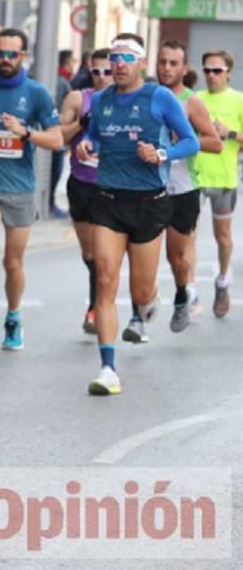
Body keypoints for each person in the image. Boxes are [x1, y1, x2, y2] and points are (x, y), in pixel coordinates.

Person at [76, 34, 199, 395]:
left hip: (149, 202)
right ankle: (108, 370)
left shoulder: (160, 97)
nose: (118, 63)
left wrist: (161, 155)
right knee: (105, 279)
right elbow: (96, 137)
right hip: (109, 199)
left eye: (126, 57)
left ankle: (150, 298)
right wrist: (88, 144)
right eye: (114, 57)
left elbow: (189, 141)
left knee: (140, 291)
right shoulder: (101, 101)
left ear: (141, 62)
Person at [0, 28, 62, 350]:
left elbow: (57, 139)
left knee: (13, 263)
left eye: (12, 54)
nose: (5, 60)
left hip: (20, 188)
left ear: (24, 57)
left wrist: (25, 132)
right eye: (0, 53)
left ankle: (14, 316)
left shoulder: (36, 93)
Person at [155, 40, 221, 334]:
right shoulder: (148, 96)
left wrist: (177, 144)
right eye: (162, 62)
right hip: (147, 188)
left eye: (173, 63)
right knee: (136, 250)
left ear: (184, 68)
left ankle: (183, 295)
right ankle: (139, 308)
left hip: (182, 189)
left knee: (176, 257)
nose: (166, 68)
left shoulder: (191, 102)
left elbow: (214, 142)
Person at [58, 48, 113, 335]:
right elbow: (58, 136)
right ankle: (99, 296)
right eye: (97, 71)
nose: (102, 77)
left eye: (108, 71)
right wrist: (81, 123)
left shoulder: (128, 101)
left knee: (104, 255)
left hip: (113, 187)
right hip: (81, 184)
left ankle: (97, 307)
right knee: (90, 252)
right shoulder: (78, 98)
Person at [195, 49, 243, 318]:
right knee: (186, 236)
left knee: (222, 238)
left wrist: (231, 133)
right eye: (207, 70)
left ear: (228, 73)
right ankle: (187, 292)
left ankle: (223, 280)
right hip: (195, 177)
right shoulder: (195, 100)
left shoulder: (239, 100)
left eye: (217, 70)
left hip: (224, 179)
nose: (211, 75)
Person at [49, 50, 76, 218]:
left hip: (57, 135)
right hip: (56, 136)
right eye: (72, 61)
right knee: (54, 172)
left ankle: (49, 203)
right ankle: (49, 204)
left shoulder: (61, 81)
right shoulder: (61, 83)